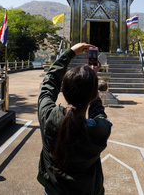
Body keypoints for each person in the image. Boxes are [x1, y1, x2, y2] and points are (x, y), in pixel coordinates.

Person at [37, 43, 112, 195]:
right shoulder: (100, 130)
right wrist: (94, 79)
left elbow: (48, 83)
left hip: (54, 190)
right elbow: (99, 114)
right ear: (94, 96)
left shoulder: (49, 118)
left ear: (63, 92)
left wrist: (69, 53)